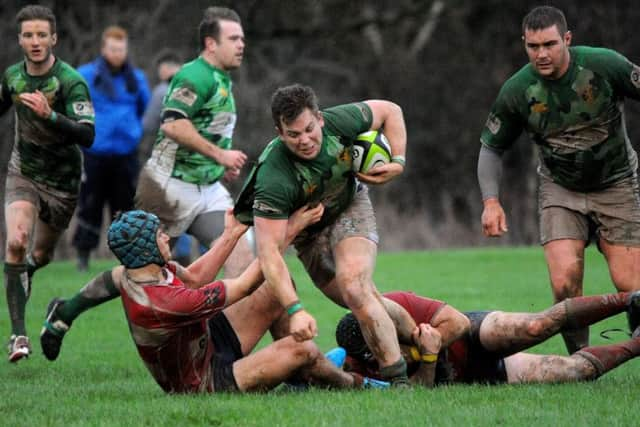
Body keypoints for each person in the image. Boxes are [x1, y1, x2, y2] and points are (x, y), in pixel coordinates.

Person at [39, 7, 254, 356]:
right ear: (210, 44)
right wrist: (219, 155)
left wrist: (220, 165)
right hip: (167, 187)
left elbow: (208, 130)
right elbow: (171, 124)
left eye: (242, 37)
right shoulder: (193, 76)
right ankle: (65, 312)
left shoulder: (222, 78)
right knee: (138, 272)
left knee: (242, 258)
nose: (242, 44)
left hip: (207, 191)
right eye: (234, 38)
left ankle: (231, 353)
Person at [66, 205, 387, 393]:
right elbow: (245, 285)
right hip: (203, 382)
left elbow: (192, 277)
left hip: (205, 343)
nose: (166, 236)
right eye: (158, 235)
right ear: (145, 250)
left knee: (277, 284)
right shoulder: (167, 302)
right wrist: (290, 230)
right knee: (302, 348)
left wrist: (62, 317)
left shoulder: (132, 272)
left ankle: (299, 377)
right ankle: (359, 384)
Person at [477, 5, 640, 354]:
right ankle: (580, 360)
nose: (541, 54)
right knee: (564, 283)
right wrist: (491, 201)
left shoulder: (604, 65)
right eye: (533, 46)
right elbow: (491, 149)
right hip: (560, 190)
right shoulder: (518, 90)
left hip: (617, 183)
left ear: (567, 39)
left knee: (631, 284)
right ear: (524, 43)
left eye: (549, 44)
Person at [234, 83, 410, 385]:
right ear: (279, 132)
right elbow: (269, 253)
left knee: (354, 286)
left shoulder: (341, 121)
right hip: (306, 235)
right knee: (358, 298)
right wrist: (296, 309)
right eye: (293, 134)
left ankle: (399, 382)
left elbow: (391, 110)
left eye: (309, 129)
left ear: (320, 119)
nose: (304, 140)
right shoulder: (273, 177)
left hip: (348, 206)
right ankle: (422, 337)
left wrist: (398, 161)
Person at [1, 4, 95, 363]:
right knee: (16, 242)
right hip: (23, 172)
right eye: (28, 35)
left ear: (53, 38)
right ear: (20, 39)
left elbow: (88, 135)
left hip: (63, 183)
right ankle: (18, 336)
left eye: (42, 35)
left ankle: (20, 278)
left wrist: (50, 115)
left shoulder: (71, 81)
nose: (35, 41)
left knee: (40, 255)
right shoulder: (12, 77)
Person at [335, 290, 640, 386]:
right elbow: (414, 396)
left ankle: (630, 299)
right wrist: (427, 358)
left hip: (474, 335)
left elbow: (458, 322)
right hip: (476, 376)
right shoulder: (360, 369)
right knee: (576, 372)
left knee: (537, 326)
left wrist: (433, 339)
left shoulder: (395, 303)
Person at [72, 25, 151, 272]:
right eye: (113, 49)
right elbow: (74, 106)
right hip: (94, 152)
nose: (118, 53)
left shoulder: (136, 79)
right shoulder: (86, 74)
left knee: (126, 207)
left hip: (126, 154)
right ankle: (83, 257)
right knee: (90, 204)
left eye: (122, 49)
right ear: (104, 48)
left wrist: (132, 132)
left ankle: (128, 259)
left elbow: (144, 109)